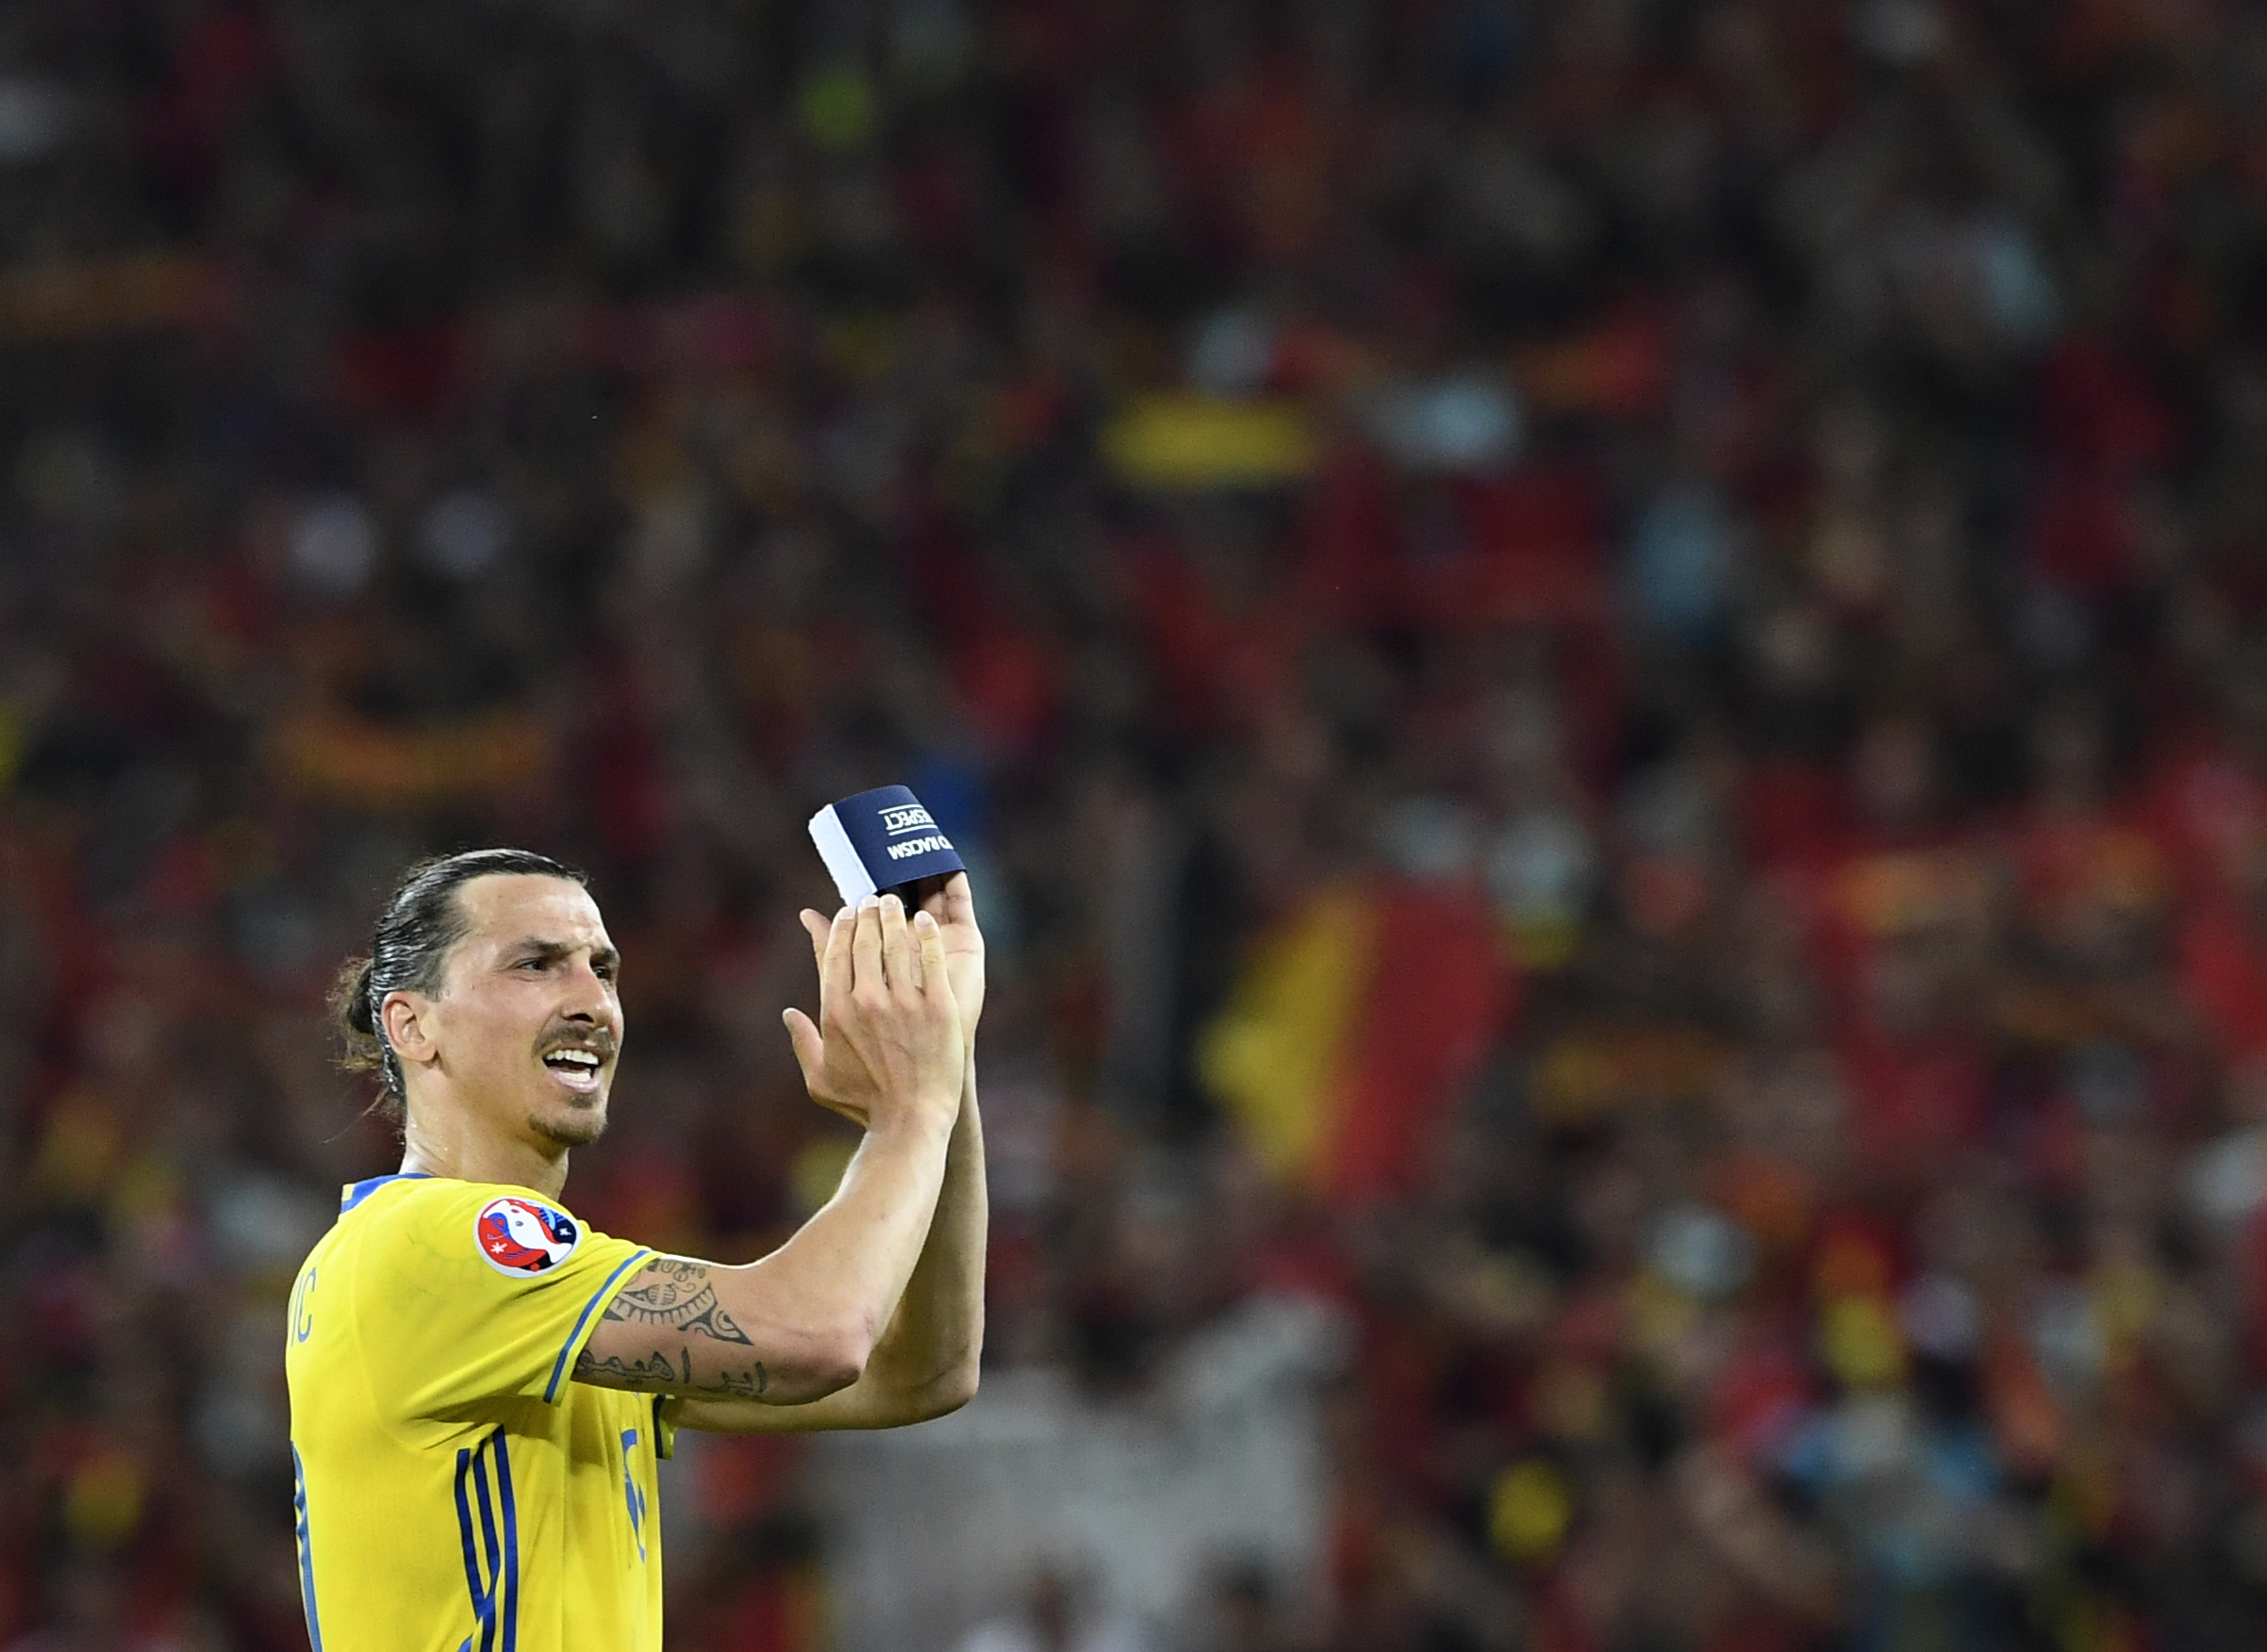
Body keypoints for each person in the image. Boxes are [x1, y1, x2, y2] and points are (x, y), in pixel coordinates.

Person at [284, 847, 987, 1651]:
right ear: (413, 1024)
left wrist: (944, 1057)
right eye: (536, 965)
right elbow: (817, 1336)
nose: (593, 1001)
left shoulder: (540, 1304)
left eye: (603, 970)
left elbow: (922, 1374)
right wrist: (911, 1115)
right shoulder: (431, 1245)